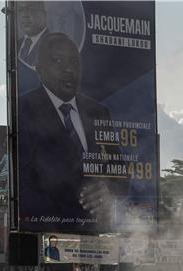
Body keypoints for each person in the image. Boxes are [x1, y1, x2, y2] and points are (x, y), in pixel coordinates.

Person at [17, 32, 126, 232]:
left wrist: (107, 189)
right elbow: (23, 185)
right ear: (39, 69)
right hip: (46, 234)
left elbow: (120, 173)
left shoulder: (98, 112)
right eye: (57, 61)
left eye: (74, 62)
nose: (68, 69)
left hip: (97, 232)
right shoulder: (23, 110)